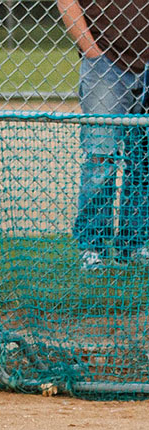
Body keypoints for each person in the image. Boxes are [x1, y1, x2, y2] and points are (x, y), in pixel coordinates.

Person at [58, 0, 149, 269]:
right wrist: (92, 52)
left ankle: (135, 244)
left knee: (144, 162)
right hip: (106, 63)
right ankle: (93, 247)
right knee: (101, 160)